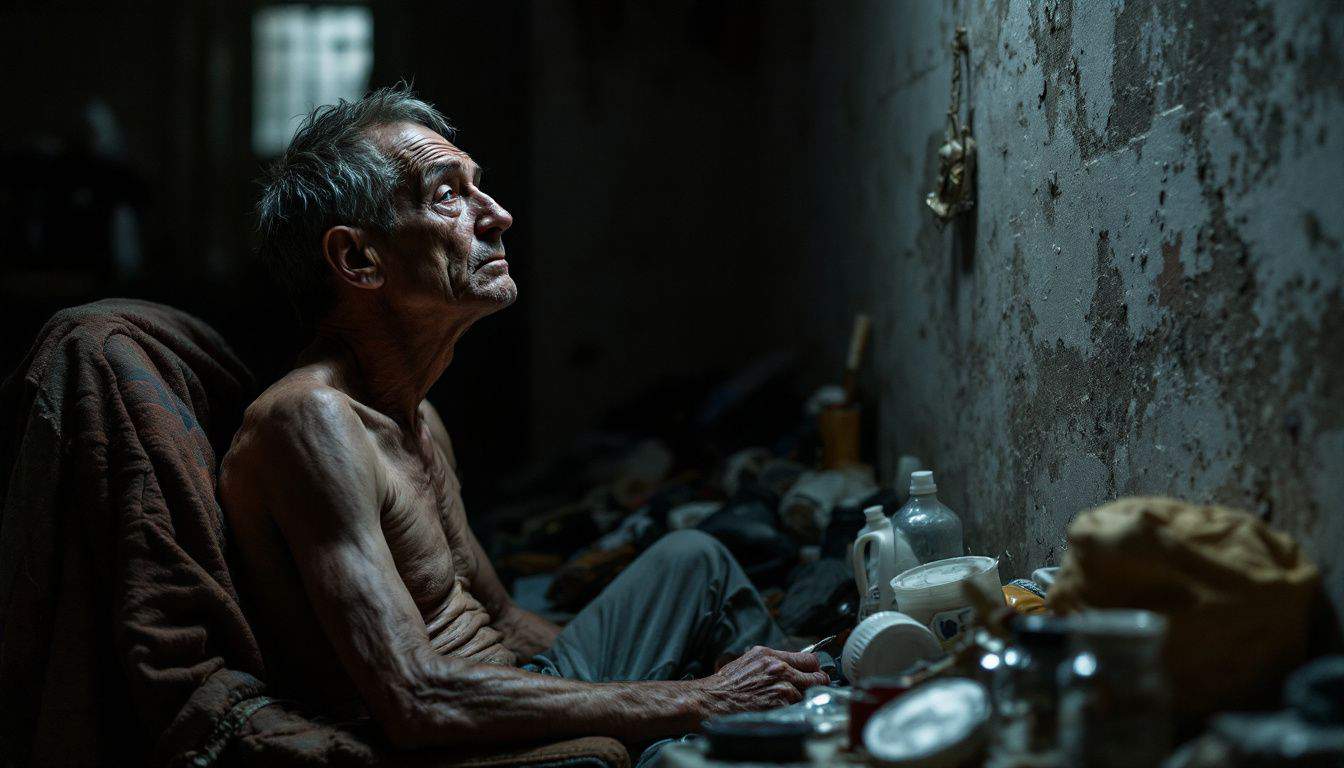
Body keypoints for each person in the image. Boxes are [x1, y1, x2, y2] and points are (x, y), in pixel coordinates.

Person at [218, 86, 827, 754]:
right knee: (674, 719)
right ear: (360, 260)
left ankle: (804, 705)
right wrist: (695, 698)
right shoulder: (311, 421)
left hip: (497, 688)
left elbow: (503, 620)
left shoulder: (416, 415)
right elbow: (414, 699)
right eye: (448, 195)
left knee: (694, 560)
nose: (498, 215)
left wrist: (659, 674)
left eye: (478, 187)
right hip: (458, 747)